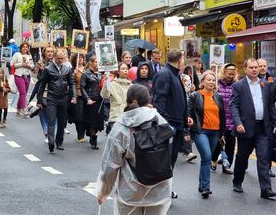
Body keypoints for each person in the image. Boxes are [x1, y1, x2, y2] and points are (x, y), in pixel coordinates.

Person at [96, 85, 172, 215]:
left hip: (131, 191)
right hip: (160, 189)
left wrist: (103, 192)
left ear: (128, 100)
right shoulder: (160, 121)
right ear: (149, 101)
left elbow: (110, 165)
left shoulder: (121, 126)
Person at [230, 58, 276, 198]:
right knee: (242, 157)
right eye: (251, 67)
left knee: (263, 157)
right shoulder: (239, 85)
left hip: (263, 127)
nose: (255, 69)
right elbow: (234, 106)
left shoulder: (265, 85)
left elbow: (270, 106)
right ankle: (237, 181)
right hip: (245, 127)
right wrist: (238, 122)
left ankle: (266, 189)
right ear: (245, 69)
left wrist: (275, 124)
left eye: (256, 67)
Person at [152, 49, 187, 199]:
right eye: (183, 59)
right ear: (179, 60)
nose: (184, 62)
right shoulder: (164, 74)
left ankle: (165, 188)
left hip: (177, 123)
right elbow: (159, 101)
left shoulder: (174, 74)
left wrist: (185, 119)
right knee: (165, 161)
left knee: (171, 160)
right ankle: (160, 190)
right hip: (169, 125)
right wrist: (166, 124)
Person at [186, 70, 225, 198]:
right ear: (202, 82)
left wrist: (222, 133)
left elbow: (222, 116)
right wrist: (187, 130)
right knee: (207, 156)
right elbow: (188, 113)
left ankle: (201, 184)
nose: (211, 82)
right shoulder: (195, 96)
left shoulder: (218, 97)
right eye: (208, 80)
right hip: (200, 131)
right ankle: (206, 187)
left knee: (206, 159)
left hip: (215, 132)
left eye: (213, 80)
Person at [37, 49, 76, 153]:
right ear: (54, 57)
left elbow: (72, 83)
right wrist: (39, 100)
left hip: (63, 98)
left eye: (62, 58)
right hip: (52, 98)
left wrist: (74, 96)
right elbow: (42, 85)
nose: (60, 60)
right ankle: (51, 142)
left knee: (62, 121)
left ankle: (59, 142)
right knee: (51, 120)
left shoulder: (67, 69)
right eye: (58, 58)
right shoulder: (48, 69)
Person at [211, 63, 237, 174]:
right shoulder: (216, 85)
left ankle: (227, 165)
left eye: (233, 74)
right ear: (223, 72)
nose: (231, 76)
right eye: (229, 74)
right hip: (218, 120)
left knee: (230, 145)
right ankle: (213, 159)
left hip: (232, 120)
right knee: (217, 144)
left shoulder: (237, 85)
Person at [258, 58, 276, 178]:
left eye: (264, 65)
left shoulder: (272, 81)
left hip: (269, 118)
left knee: (269, 144)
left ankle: (268, 168)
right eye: (260, 65)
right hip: (255, 118)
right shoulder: (252, 80)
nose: (262, 67)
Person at [80, 53, 104, 150]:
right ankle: (93, 139)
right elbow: (82, 87)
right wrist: (87, 99)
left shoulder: (100, 74)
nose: (97, 64)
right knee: (91, 121)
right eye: (96, 62)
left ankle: (92, 134)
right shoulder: (85, 74)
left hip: (99, 100)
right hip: (90, 100)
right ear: (91, 63)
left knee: (98, 121)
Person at [101, 63, 132, 134]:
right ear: (118, 71)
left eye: (127, 69)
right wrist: (107, 82)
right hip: (116, 117)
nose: (125, 71)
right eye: (123, 69)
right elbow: (105, 95)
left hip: (128, 117)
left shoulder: (131, 85)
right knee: (117, 141)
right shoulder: (112, 84)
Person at [10, 42, 34, 117]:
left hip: (27, 75)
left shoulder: (29, 55)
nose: (25, 48)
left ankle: (18, 108)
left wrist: (29, 66)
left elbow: (32, 65)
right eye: (23, 47)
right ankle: (24, 108)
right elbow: (11, 64)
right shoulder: (17, 54)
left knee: (23, 93)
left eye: (27, 47)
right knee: (23, 92)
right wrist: (21, 64)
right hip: (19, 75)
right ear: (20, 48)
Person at [70, 53, 86, 142]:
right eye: (79, 57)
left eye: (82, 57)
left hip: (87, 94)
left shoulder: (86, 69)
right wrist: (73, 74)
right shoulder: (73, 70)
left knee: (85, 115)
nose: (80, 59)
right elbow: (71, 82)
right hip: (78, 94)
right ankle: (80, 134)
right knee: (78, 116)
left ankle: (83, 133)